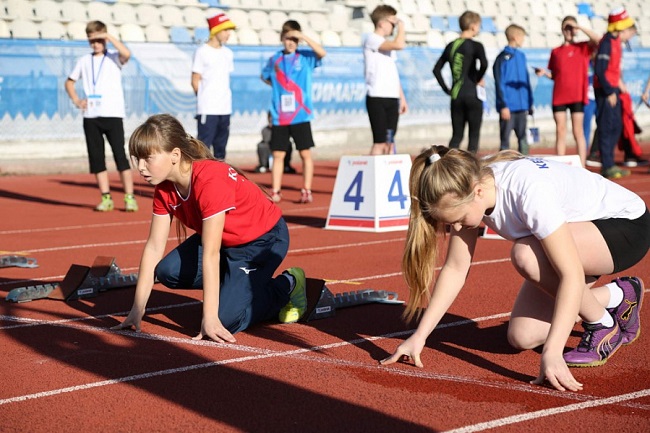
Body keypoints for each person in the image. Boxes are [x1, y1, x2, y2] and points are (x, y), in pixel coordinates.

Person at [381, 146, 649, 392]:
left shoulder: (526, 191)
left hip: (625, 227)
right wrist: (420, 336)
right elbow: (455, 268)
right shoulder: (471, 186)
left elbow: (570, 274)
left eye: (460, 220)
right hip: (582, 232)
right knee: (522, 336)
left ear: (477, 191)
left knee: (526, 255)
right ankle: (619, 295)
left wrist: (553, 353)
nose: (458, 228)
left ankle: (602, 324)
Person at [112, 114, 308, 341]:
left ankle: (288, 285)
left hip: (262, 240)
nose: (141, 168)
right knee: (167, 271)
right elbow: (154, 248)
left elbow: (211, 252)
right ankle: (235, 285)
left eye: (148, 159)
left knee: (225, 320)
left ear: (175, 155)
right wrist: (137, 310)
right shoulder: (164, 189)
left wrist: (210, 317)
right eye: (137, 160)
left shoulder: (209, 181)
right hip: (225, 243)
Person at [64, 20, 138, 212]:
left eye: (99, 39)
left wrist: (109, 37)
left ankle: (129, 197)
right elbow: (69, 82)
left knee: (120, 156)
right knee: (96, 158)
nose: (95, 44)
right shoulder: (83, 61)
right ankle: (106, 197)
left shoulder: (114, 56)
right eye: (92, 40)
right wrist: (77, 101)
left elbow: (127, 54)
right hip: (91, 116)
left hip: (113, 114)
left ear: (104, 38)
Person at [261, 20, 326, 204]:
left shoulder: (305, 57)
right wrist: (279, 88)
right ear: (282, 38)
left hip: (301, 115)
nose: (290, 42)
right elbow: (264, 76)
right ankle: (275, 190)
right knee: (278, 154)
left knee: (305, 154)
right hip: (280, 116)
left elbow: (322, 53)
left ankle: (306, 189)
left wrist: (303, 37)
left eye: (293, 39)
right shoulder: (274, 59)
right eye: (287, 38)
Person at [535, 16, 600, 167]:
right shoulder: (556, 52)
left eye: (571, 28)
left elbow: (597, 39)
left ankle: (582, 166)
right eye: (566, 27)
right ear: (562, 30)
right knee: (560, 130)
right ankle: (560, 166)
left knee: (578, 131)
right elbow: (556, 76)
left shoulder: (583, 48)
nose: (569, 31)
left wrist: (579, 27)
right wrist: (544, 73)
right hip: (559, 97)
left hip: (577, 96)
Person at [432, 11, 487, 154]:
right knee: (473, 136)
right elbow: (484, 64)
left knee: (457, 135)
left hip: (456, 95)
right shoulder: (476, 46)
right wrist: (478, 78)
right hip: (473, 94)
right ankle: (471, 171)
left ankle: (448, 169)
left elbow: (436, 70)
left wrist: (447, 89)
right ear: (473, 26)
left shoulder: (451, 45)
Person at [593, 7, 637, 179]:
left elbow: (613, 68)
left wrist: (619, 83)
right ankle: (607, 165)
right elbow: (600, 69)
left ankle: (610, 163)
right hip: (606, 91)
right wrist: (610, 90)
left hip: (613, 89)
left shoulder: (616, 42)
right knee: (606, 127)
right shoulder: (606, 42)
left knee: (616, 126)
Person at [363, 5, 408, 155]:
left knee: (390, 141)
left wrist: (402, 97)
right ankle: (372, 174)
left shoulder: (386, 45)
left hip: (392, 97)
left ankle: (387, 175)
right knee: (379, 142)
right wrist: (401, 27)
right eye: (392, 23)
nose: (394, 27)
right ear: (382, 23)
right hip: (377, 96)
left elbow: (392, 72)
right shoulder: (372, 39)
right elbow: (399, 44)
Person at [191, 13, 236, 160]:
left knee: (221, 149)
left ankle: (219, 181)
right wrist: (204, 99)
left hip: (225, 108)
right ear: (215, 31)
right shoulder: (202, 52)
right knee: (202, 148)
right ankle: (199, 180)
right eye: (225, 30)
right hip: (208, 109)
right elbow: (195, 80)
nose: (228, 34)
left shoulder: (228, 53)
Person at [493, 24, 533, 155]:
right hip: (508, 108)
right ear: (515, 37)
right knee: (505, 142)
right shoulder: (501, 58)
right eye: (522, 37)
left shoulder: (522, 56)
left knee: (523, 140)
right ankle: (503, 170)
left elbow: (526, 80)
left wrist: (530, 103)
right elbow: (499, 82)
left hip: (522, 108)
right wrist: (503, 105)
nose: (523, 40)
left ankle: (527, 167)